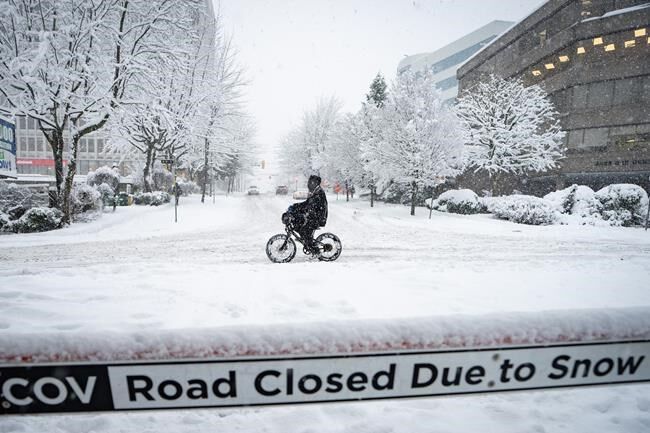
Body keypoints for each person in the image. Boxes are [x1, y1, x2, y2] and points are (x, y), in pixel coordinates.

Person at [286, 175, 328, 254]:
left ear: (315, 183)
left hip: (318, 218)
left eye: (311, 182)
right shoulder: (315, 192)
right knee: (298, 224)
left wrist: (303, 212)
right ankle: (306, 241)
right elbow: (307, 203)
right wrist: (295, 206)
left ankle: (314, 250)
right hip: (314, 216)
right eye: (309, 182)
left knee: (304, 229)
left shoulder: (319, 193)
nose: (309, 184)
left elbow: (311, 206)